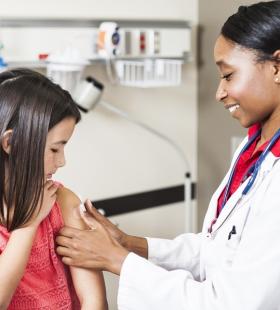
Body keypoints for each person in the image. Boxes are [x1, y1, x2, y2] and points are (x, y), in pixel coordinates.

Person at [56, 1, 280, 309]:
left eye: (228, 75)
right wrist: (129, 244)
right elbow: (217, 250)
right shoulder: (254, 148)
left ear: (277, 67)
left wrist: (118, 260)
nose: (219, 92)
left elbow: (235, 302)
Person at [0, 68, 108, 309]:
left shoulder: (63, 202)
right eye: (54, 149)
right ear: (10, 143)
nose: (62, 162)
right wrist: (28, 225)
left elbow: (94, 300)